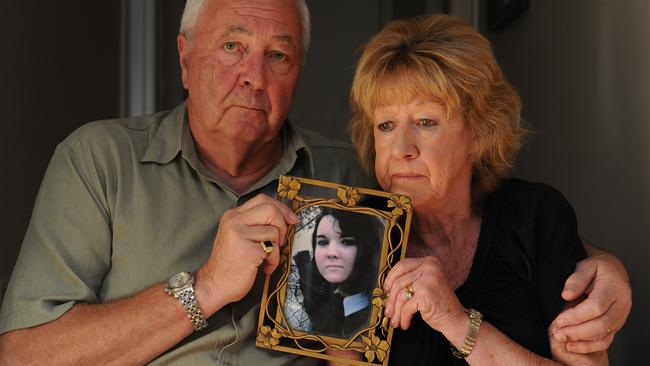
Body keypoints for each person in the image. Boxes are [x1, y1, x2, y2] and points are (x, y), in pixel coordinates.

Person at [0, 1, 630, 365]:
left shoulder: (353, 186)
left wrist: (602, 266)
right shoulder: (97, 161)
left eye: (278, 54)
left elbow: (472, 214)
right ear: (184, 57)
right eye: (231, 47)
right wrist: (205, 288)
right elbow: (22, 357)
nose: (253, 75)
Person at [348, 14, 626, 365]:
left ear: (478, 134)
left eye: (426, 122)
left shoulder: (535, 218)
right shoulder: (352, 237)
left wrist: (458, 323)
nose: (401, 148)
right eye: (385, 125)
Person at [293, 207, 383, 338]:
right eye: (323, 242)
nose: (332, 253)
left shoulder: (374, 318)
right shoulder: (326, 309)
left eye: (346, 241)